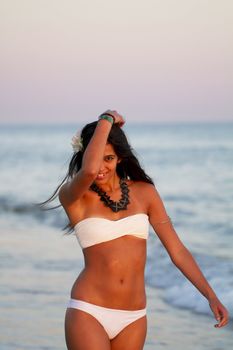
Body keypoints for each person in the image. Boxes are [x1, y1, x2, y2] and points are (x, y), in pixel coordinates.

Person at [43, 110, 229, 350]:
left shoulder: (145, 193)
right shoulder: (74, 197)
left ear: (120, 157)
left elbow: (177, 251)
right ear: (84, 154)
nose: (101, 167)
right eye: (96, 157)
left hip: (134, 317)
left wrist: (211, 296)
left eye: (108, 158)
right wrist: (106, 119)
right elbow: (88, 171)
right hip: (89, 311)